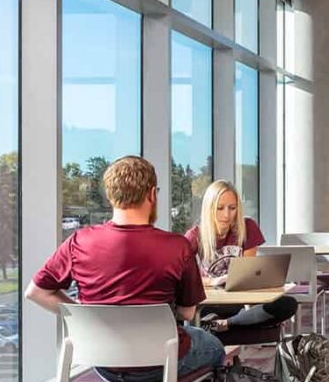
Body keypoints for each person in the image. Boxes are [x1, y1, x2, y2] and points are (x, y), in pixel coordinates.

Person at [24, 156, 223, 381]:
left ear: (111, 195)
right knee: (214, 347)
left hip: (104, 362)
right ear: (152, 194)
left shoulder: (78, 241)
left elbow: (35, 292)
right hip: (160, 362)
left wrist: (86, 316)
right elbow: (187, 312)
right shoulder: (178, 247)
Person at [184, 180, 298, 341]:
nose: (227, 214)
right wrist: (214, 281)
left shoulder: (248, 227)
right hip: (212, 302)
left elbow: (248, 273)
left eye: (232, 208)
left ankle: (225, 324)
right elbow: (184, 279)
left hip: (239, 302)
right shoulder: (195, 236)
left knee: (288, 304)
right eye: (220, 208)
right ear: (209, 208)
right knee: (192, 314)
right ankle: (238, 322)